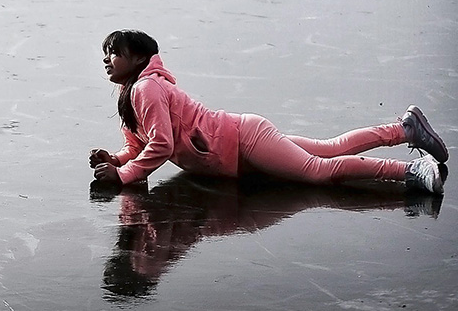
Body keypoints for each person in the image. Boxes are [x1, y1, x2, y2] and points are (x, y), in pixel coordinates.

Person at [89, 29, 447, 194]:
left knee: (318, 171)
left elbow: (162, 146)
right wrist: (119, 159)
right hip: (236, 146)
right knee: (330, 148)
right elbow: (141, 143)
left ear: (139, 59)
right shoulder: (131, 92)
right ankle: (405, 129)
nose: (107, 60)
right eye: (105, 54)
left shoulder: (147, 87)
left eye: (114, 53)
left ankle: (412, 173)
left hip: (242, 139)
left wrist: (124, 176)